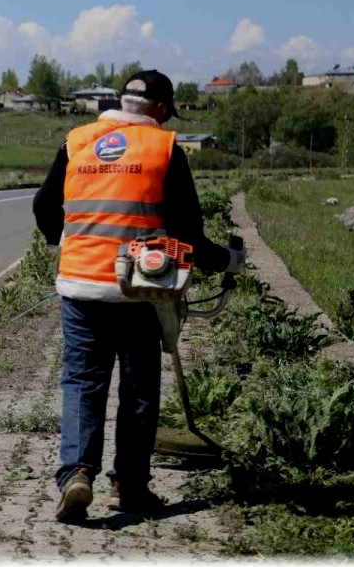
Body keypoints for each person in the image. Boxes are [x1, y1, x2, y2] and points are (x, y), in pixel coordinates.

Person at [32, 70, 245, 522]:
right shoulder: (164, 149)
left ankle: (75, 474)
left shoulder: (77, 142)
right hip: (139, 291)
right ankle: (128, 487)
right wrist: (229, 261)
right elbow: (188, 236)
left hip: (81, 285)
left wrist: (66, 238)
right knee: (139, 390)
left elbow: (44, 208)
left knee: (83, 383)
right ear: (163, 109)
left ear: (119, 102)